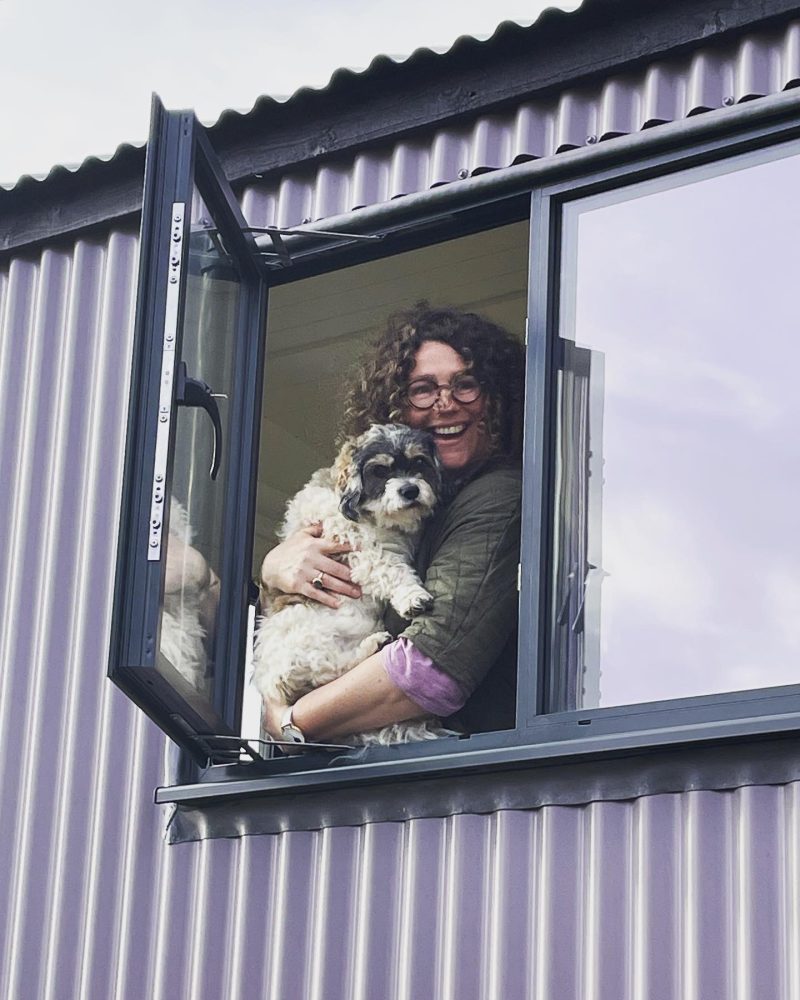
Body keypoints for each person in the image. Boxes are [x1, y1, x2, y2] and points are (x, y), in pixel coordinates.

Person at [260, 301, 524, 745]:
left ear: (496, 399)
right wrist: (274, 569)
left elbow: (430, 670)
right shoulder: (413, 510)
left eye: (466, 385)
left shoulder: (495, 497)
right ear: (395, 408)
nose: (445, 404)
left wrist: (285, 721)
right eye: (423, 389)